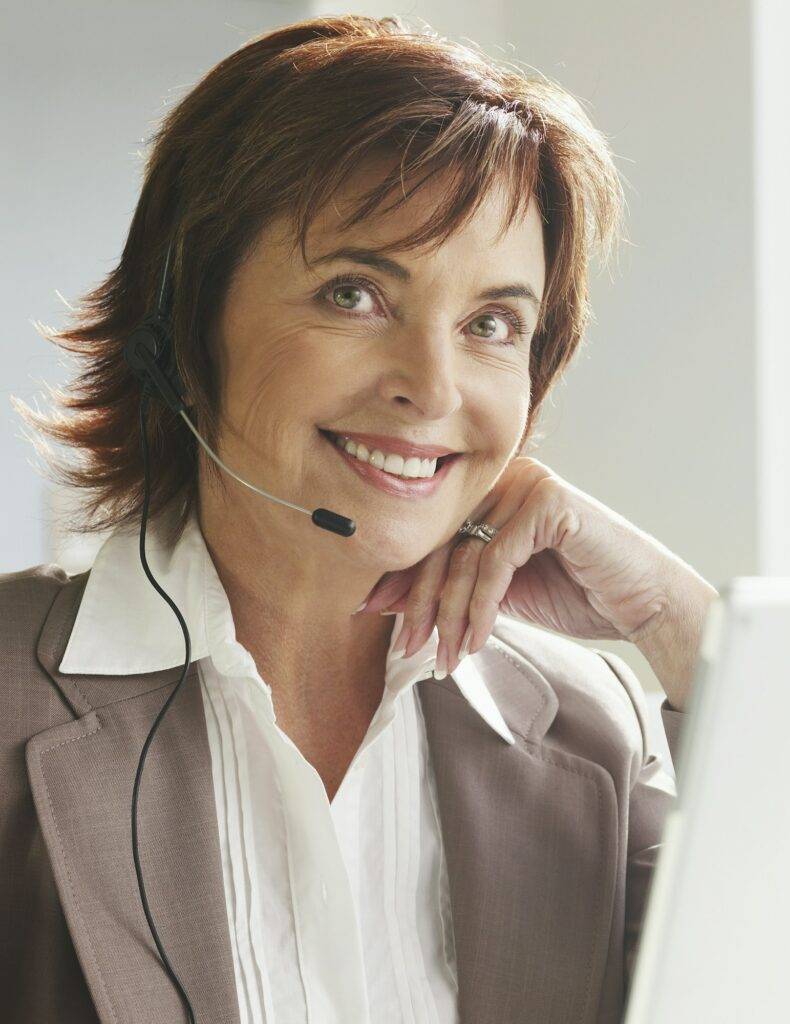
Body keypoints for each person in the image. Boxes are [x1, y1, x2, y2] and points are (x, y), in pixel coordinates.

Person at [0, 14, 718, 1024]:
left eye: (491, 323)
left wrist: (685, 625)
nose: (431, 389)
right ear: (180, 326)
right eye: (355, 294)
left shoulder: (588, 728)